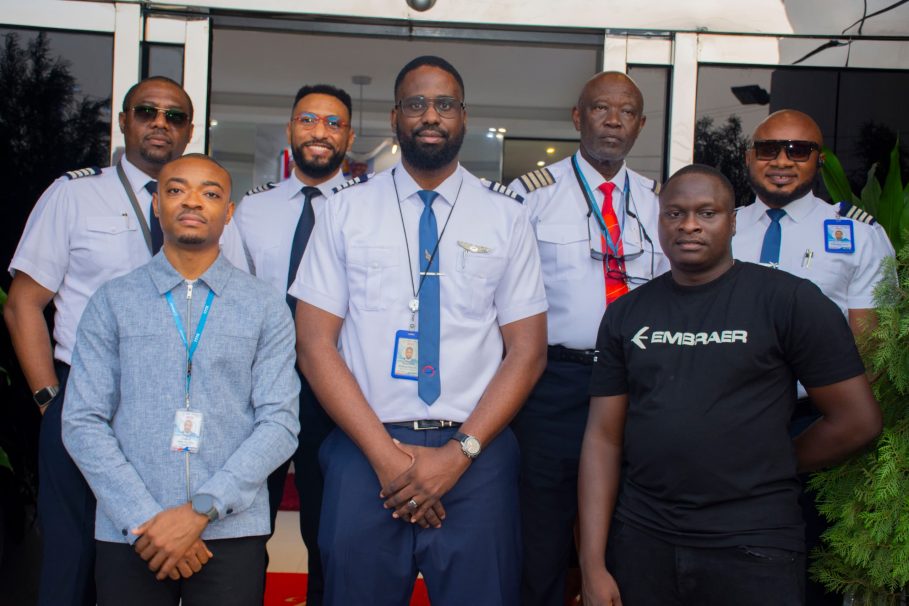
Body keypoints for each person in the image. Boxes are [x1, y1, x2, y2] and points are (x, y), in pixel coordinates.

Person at [291, 55, 548, 606]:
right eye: (416, 104)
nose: (430, 115)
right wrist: (388, 459)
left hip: (475, 453)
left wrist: (458, 455)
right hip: (365, 451)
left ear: (463, 116)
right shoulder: (343, 213)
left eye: (444, 104)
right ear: (394, 117)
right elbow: (314, 346)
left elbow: (526, 352)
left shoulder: (507, 217)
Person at [578, 164, 881, 606]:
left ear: (734, 220)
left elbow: (857, 421)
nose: (689, 226)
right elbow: (603, 438)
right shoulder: (628, 312)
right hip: (645, 538)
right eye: (674, 214)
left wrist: (777, 461)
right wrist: (592, 563)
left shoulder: (790, 300)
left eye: (707, 212)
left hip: (753, 542)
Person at [3, 76, 246, 606]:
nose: (160, 123)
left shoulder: (215, 208)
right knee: (71, 556)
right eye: (146, 111)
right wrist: (51, 401)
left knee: (165, 547)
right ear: (123, 121)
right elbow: (24, 304)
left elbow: (239, 304)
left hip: (186, 401)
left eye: (175, 116)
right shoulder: (74, 195)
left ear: (189, 130)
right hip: (88, 395)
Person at [61, 154, 300, 605]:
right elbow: (83, 421)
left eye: (210, 193)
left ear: (228, 212)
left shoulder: (265, 306)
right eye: (176, 190)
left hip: (231, 528)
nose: (193, 201)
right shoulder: (112, 301)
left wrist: (201, 510)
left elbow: (280, 424)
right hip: (132, 529)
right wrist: (147, 518)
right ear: (157, 205)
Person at [507, 70, 669, 606]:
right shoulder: (530, 196)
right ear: (578, 117)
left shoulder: (659, 203)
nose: (614, 121)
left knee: (628, 529)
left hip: (637, 385)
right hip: (554, 382)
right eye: (601, 109)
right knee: (541, 533)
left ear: (641, 125)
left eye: (627, 112)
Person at [731, 109, 895, 605]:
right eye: (769, 148)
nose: (782, 160)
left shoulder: (859, 233)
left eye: (798, 150)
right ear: (749, 158)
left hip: (813, 429)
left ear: (819, 161)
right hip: (724, 425)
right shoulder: (720, 225)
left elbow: (868, 350)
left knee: (807, 574)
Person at [231, 83, 356, 605]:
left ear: (349, 136)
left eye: (332, 122)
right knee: (243, 525)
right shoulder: (252, 210)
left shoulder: (364, 208)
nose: (320, 132)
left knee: (328, 530)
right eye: (309, 120)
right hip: (259, 386)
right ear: (290, 130)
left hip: (332, 385)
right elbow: (234, 299)